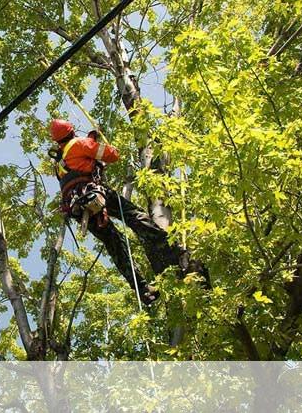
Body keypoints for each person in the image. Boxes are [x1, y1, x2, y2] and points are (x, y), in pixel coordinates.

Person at [49, 119, 206, 305]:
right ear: (72, 132)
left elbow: (79, 164)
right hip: (95, 193)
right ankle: (174, 251)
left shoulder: (59, 164)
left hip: (79, 208)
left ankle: (142, 289)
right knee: (134, 216)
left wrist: (91, 142)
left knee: (115, 244)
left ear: (57, 141)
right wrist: (97, 144)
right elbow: (112, 155)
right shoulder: (79, 143)